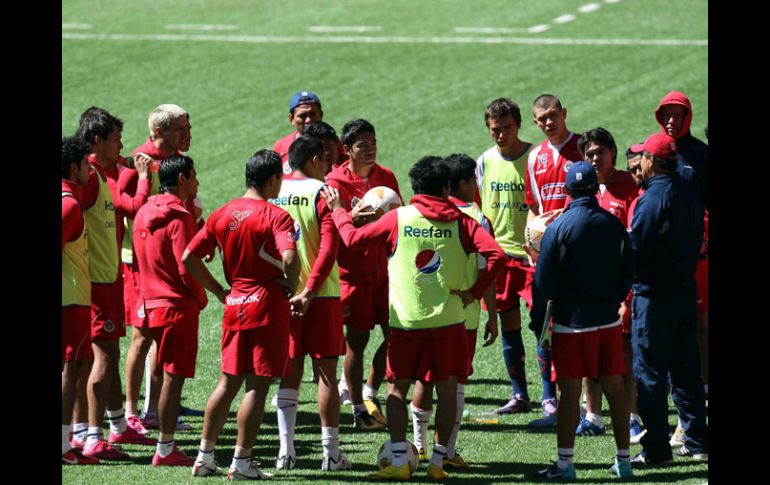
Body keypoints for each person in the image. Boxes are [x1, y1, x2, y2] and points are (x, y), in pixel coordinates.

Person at [321, 156, 506, 480]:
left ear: (416, 187)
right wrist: (475, 292)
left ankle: (398, 459)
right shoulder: (462, 223)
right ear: (447, 187)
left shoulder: (399, 218)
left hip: (406, 324)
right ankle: (437, 462)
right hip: (450, 323)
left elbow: (351, 239)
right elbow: (497, 255)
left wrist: (338, 209)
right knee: (448, 391)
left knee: (397, 391)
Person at [183, 149, 299, 480]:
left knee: (227, 382)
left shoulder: (222, 213)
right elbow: (289, 257)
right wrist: (290, 285)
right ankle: (242, 462)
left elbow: (189, 257)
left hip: (235, 306)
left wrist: (219, 290)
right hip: (266, 305)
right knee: (257, 387)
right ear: (274, 179)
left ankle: (205, 457)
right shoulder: (276, 216)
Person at [530, 162, 634, 480]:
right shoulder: (613, 225)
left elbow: (542, 284)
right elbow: (627, 272)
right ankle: (624, 462)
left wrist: (539, 325)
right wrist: (613, 299)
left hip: (570, 324)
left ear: (567, 190)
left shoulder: (558, 228)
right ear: (594, 188)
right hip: (607, 321)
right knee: (615, 389)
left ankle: (565, 464)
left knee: (569, 395)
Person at [74, 107, 154, 461]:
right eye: (116, 139)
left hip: (104, 278)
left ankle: (112, 426)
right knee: (99, 357)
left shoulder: (99, 174)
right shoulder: (89, 178)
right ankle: (91, 435)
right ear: (97, 141)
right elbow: (133, 206)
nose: (121, 145)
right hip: (95, 279)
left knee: (96, 355)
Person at [409, 153, 499, 466]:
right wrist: (491, 312)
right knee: (455, 383)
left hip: (422, 312)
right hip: (463, 315)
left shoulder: (415, 213)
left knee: (424, 378)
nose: (476, 186)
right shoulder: (475, 218)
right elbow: (487, 266)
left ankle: (418, 447)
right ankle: (446, 452)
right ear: (458, 183)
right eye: (474, 180)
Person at [270, 136, 352, 471]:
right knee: (327, 375)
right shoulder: (322, 193)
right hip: (321, 297)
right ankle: (330, 455)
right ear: (315, 160)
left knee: (289, 373)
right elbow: (329, 248)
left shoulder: (273, 192)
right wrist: (311, 291)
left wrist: (290, 288)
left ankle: (285, 451)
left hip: (283, 295)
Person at [120, 103, 203, 432]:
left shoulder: (173, 164)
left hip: (169, 262)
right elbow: (122, 205)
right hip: (141, 264)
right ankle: (129, 411)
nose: (187, 134)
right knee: (142, 336)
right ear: (158, 132)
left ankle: (155, 408)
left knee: (160, 336)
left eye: (188, 127)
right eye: (180, 129)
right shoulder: (139, 162)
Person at [628, 133, 708, 466]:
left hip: (654, 298)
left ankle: (658, 449)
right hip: (683, 292)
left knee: (650, 375)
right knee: (686, 370)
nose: (639, 163)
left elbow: (637, 249)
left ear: (653, 161)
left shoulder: (652, 199)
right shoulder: (690, 193)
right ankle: (698, 440)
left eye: (644, 157)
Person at [325, 118, 403, 430]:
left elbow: (400, 214)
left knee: (397, 335)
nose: (370, 150)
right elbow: (328, 230)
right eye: (362, 146)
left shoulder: (386, 177)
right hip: (352, 275)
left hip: (386, 273)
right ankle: (358, 408)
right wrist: (349, 216)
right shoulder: (334, 183)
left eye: (373, 143)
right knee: (356, 342)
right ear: (347, 150)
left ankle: (371, 392)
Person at [133, 154, 207, 466]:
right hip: (177, 307)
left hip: (149, 304)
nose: (197, 183)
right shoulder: (180, 216)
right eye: (193, 177)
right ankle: (164, 449)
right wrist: (205, 295)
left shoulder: (142, 212)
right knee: (172, 379)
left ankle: (162, 443)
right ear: (181, 180)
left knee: (162, 375)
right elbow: (184, 266)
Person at [572, 128, 640, 440]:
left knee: (625, 353)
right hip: (588, 286)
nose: (595, 159)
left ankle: (633, 414)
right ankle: (593, 415)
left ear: (612, 152)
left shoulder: (629, 185)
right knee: (590, 352)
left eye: (600, 152)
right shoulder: (584, 188)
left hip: (621, 285)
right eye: (589, 154)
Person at [524, 94, 584, 428]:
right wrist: (531, 242)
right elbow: (534, 208)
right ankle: (553, 403)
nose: (549, 122)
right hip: (547, 258)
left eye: (553, 115)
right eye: (542, 119)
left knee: (579, 330)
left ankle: (587, 408)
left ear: (564, 113)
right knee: (544, 329)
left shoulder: (583, 148)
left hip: (578, 255)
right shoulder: (535, 158)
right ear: (535, 123)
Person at [473, 98, 535, 417]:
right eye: (495, 130)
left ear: (519, 125)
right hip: (502, 258)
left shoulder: (535, 158)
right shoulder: (483, 161)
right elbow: (481, 209)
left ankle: (552, 397)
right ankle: (519, 394)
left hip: (533, 258)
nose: (501, 135)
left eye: (507, 128)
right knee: (509, 325)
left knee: (543, 327)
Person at [655, 91, 709, 446]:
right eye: (667, 115)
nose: (672, 121)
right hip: (667, 261)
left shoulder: (702, 156)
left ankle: (699, 400)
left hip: (699, 256)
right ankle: (683, 415)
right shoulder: (655, 151)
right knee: (674, 335)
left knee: (700, 328)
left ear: (688, 116)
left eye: (678, 114)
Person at [61, 136, 100, 465]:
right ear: (75, 168)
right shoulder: (68, 204)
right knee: (69, 369)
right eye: (88, 165)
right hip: (71, 300)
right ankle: (63, 447)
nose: (92, 169)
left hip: (73, 298)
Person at [273, 90, 346, 178]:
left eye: (312, 114)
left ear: (321, 115)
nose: (308, 120)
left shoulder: (335, 144)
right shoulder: (281, 148)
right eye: (302, 116)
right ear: (291, 119)